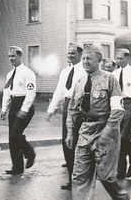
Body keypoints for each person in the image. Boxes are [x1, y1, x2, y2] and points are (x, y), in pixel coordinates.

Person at [66, 45, 129, 200]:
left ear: (99, 60)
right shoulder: (80, 81)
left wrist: (107, 132)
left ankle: (122, 198)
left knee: (106, 177)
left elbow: (117, 110)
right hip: (85, 131)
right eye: (83, 59)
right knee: (79, 176)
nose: (85, 62)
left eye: (89, 58)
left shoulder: (110, 79)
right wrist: (70, 132)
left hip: (105, 132)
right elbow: (73, 110)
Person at [46, 42, 85, 190]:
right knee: (67, 142)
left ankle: (82, 177)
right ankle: (72, 178)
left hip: (80, 108)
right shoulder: (65, 72)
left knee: (79, 143)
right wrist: (51, 109)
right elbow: (59, 92)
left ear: (80, 55)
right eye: (68, 53)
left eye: (73, 53)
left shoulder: (85, 70)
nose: (69, 56)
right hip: (67, 106)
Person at [0, 46, 36, 175]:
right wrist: (4, 109)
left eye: (13, 56)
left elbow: (31, 93)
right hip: (14, 104)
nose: (11, 59)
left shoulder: (28, 73)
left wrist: (24, 109)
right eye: (9, 56)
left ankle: (29, 152)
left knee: (16, 135)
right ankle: (17, 167)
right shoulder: (10, 74)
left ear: (20, 56)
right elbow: (7, 92)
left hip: (24, 103)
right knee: (12, 137)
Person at [113, 49, 131, 179]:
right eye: (118, 59)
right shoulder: (114, 73)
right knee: (120, 138)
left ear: (128, 58)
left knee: (124, 137)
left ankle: (125, 165)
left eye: (122, 58)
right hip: (119, 105)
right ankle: (129, 162)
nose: (119, 61)